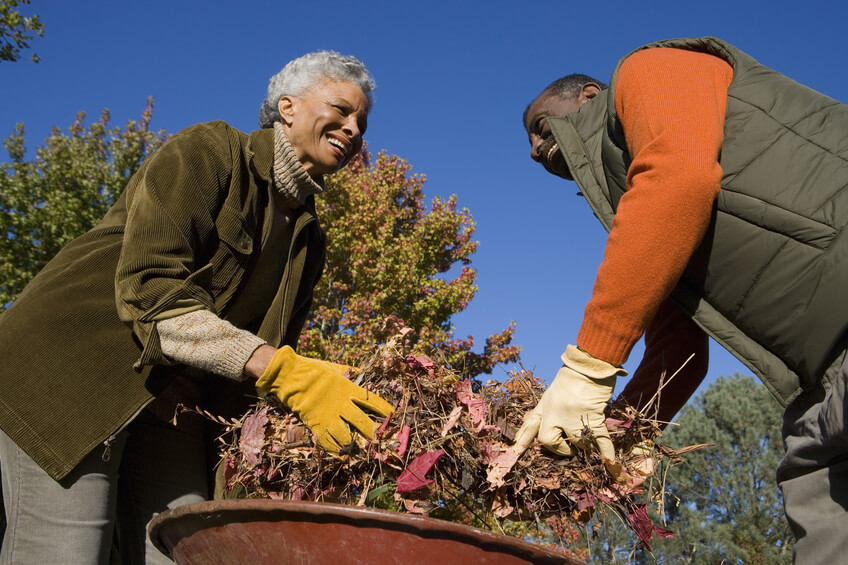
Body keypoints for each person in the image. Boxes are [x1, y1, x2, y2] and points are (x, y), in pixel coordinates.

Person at [0, 50, 393, 564]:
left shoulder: (309, 241)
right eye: (342, 109)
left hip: (176, 400)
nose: (354, 127)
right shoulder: (208, 151)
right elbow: (150, 292)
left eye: (362, 121)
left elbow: (269, 363)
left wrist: (301, 413)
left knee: (184, 551)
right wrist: (284, 372)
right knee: (69, 548)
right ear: (288, 106)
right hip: (75, 370)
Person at [514, 36, 847, 563]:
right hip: (817, 385)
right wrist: (614, 442)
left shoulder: (649, 69)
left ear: (586, 96)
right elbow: (679, 348)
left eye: (538, 126)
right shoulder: (646, 220)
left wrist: (586, 366)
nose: (534, 149)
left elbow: (678, 177)